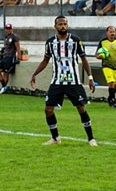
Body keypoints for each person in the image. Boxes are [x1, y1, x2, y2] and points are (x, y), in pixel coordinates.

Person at [30, 16, 98, 146]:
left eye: (65, 24)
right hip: (57, 81)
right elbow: (45, 60)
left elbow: (84, 59)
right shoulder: (50, 43)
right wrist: (35, 74)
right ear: (55, 26)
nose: (63, 26)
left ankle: (91, 138)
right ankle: (55, 138)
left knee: (81, 108)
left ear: (68, 25)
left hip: (73, 81)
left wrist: (90, 77)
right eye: (60, 24)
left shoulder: (76, 41)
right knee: (48, 109)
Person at [0, 23, 21, 94]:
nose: (8, 30)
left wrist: (19, 57)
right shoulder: (6, 37)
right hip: (5, 57)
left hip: (10, 57)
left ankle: (3, 88)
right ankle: (4, 86)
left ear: (11, 29)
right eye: (7, 29)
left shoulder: (14, 37)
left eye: (9, 29)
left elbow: (18, 48)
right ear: (5, 29)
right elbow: (6, 47)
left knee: (6, 73)